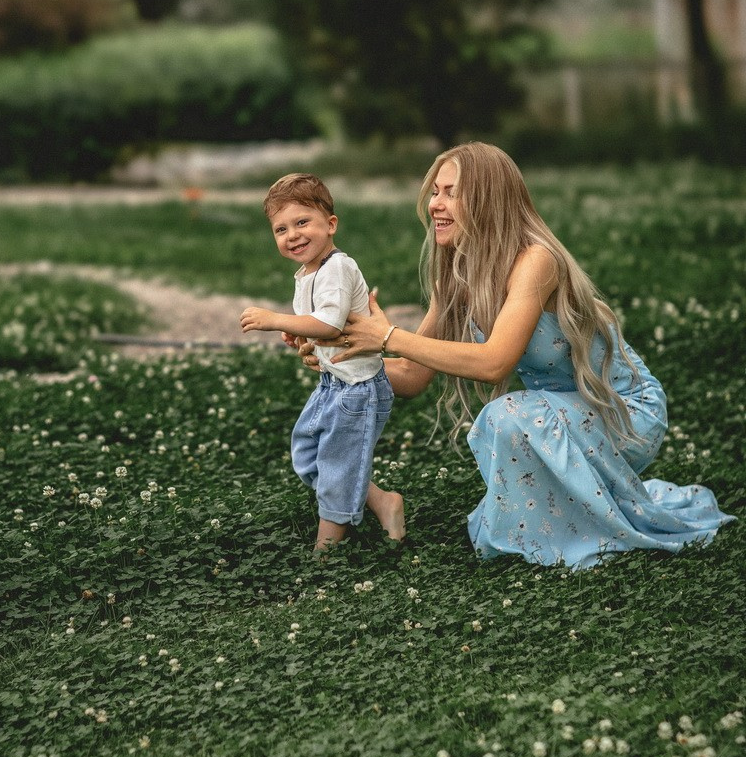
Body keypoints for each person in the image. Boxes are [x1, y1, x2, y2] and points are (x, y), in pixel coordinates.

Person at [317, 142, 734, 570]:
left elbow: (494, 362)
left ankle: (580, 533)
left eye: (450, 193)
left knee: (508, 415)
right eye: (435, 191)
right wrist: (344, 355)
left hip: (623, 412)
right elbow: (409, 376)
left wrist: (388, 335)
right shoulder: (459, 272)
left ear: (487, 200)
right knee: (513, 415)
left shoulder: (536, 261)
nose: (435, 204)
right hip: (554, 412)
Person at [240, 173, 404, 551]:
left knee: (338, 467)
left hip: (357, 390)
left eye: (302, 222)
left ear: (330, 225)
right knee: (308, 455)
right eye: (281, 229)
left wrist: (276, 319)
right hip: (333, 383)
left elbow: (330, 322)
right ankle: (381, 500)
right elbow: (321, 324)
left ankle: (325, 555)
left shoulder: (337, 268)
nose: (292, 235)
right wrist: (300, 333)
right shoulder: (309, 272)